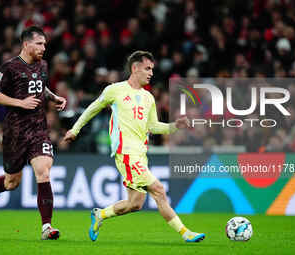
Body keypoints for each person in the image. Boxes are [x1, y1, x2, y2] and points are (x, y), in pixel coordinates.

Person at [63, 50, 205, 243]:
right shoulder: (115, 90)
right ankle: (186, 233)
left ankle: (100, 215)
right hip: (125, 152)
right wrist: (75, 130)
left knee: (135, 203)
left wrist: (175, 126)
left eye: (152, 69)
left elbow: (153, 126)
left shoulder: (148, 98)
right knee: (158, 190)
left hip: (140, 154)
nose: (151, 73)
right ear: (135, 68)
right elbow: (92, 109)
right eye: (147, 68)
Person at [0, 26, 66, 240]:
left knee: (43, 171)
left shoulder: (43, 65)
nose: (43, 48)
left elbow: (40, 87)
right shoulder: (10, 67)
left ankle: (47, 227)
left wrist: (54, 97)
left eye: (44, 44)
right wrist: (20, 102)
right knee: (12, 182)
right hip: (15, 132)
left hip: (38, 129)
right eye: (39, 43)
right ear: (26, 44)